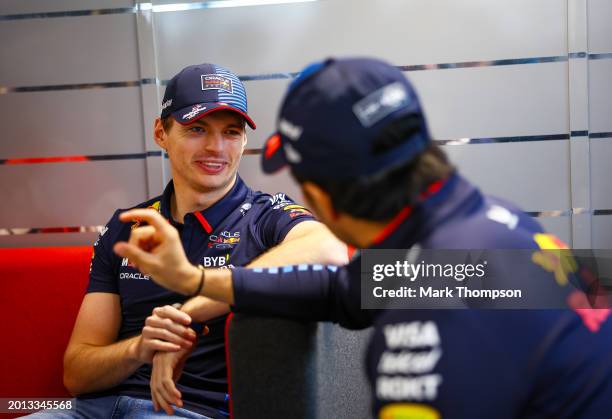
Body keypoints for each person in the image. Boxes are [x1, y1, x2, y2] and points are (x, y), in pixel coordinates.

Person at [114, 58, 612, 418]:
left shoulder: (428, 322)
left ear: (322, 199)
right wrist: (197, 279)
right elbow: (342, 290)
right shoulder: (481, 227)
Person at [29, 63, 346, 419]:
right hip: (89, 410)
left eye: (231, 132)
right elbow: (77, 376)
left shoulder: (267, 217)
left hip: (189, 411)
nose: (216, 147)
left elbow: (330, 250)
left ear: (244, 140)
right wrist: (142, 347)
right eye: (197, 128)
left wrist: (186, 312)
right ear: (161, 134)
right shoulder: (127, 226)